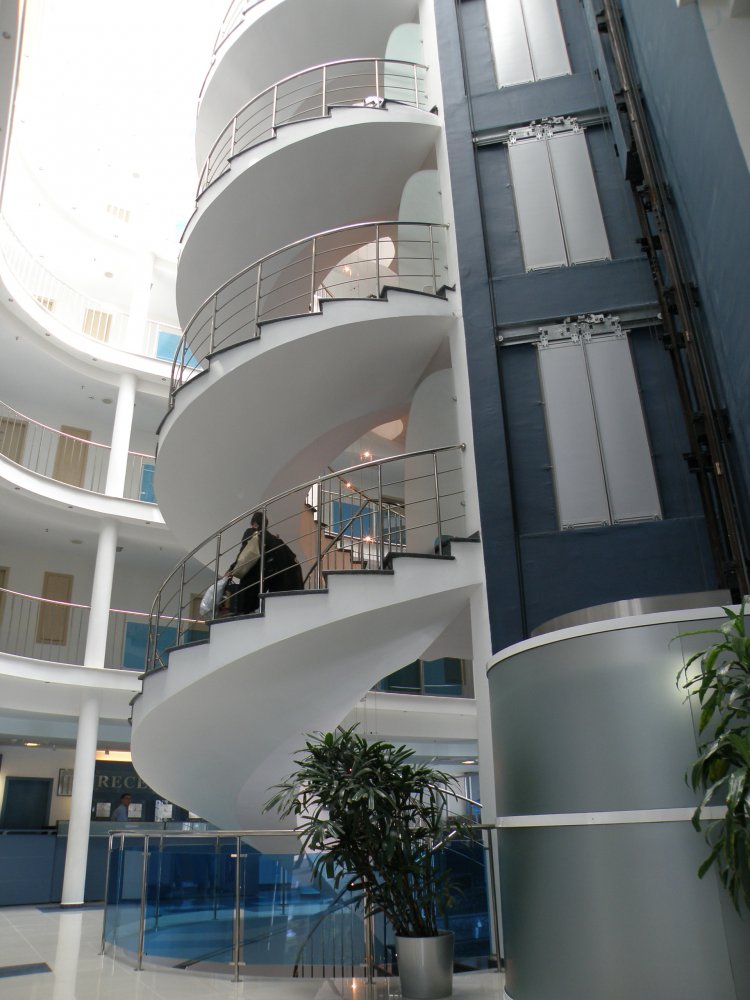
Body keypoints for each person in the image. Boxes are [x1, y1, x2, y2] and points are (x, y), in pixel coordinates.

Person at [224, 511, 302, 614]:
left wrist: (231, 569)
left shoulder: (252, 532)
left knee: (248, 585)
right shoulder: (275, 540)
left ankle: (245, 611)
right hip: (291, 580)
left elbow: (245, 554)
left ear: (254, 523)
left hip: (273, 576)